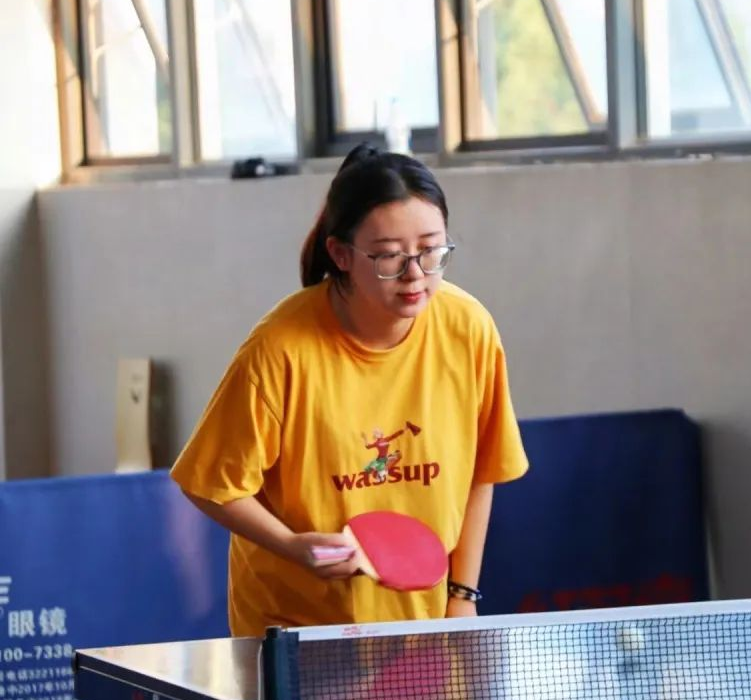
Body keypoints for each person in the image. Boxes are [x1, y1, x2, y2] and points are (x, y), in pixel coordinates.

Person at [170, 143, 529, 637]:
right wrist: (292, 546)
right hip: (294, 628)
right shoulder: (280, 349)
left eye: (431, 251)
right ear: (340, 254)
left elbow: (481, 472)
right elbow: (209, 485)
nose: (415, 275)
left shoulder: (469, 329)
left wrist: (461, 595)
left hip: (421, 626)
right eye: (389, 257)